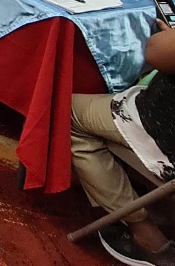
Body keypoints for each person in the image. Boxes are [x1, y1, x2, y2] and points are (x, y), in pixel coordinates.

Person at [71, 19, 175, 266]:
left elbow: (155, 52)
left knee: (67, 113)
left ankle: (147, 236)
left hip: (162, 134)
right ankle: (159, 208)